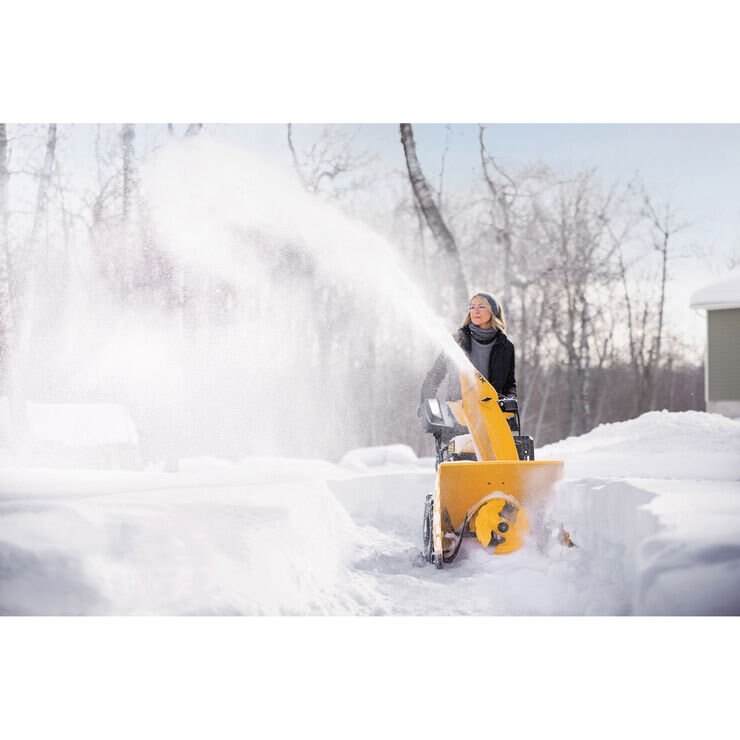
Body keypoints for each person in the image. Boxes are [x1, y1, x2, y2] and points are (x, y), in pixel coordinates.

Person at [421, 292, 517, 405]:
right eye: (472, 307)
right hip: (458, 410)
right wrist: (427, 404)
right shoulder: (457, 341)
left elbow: (509, 384)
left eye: (481, 307)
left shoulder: (506, 347)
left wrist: (510, 401)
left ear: (493, 312)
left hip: (491, 412)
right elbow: (434, 376)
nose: (475, 311)